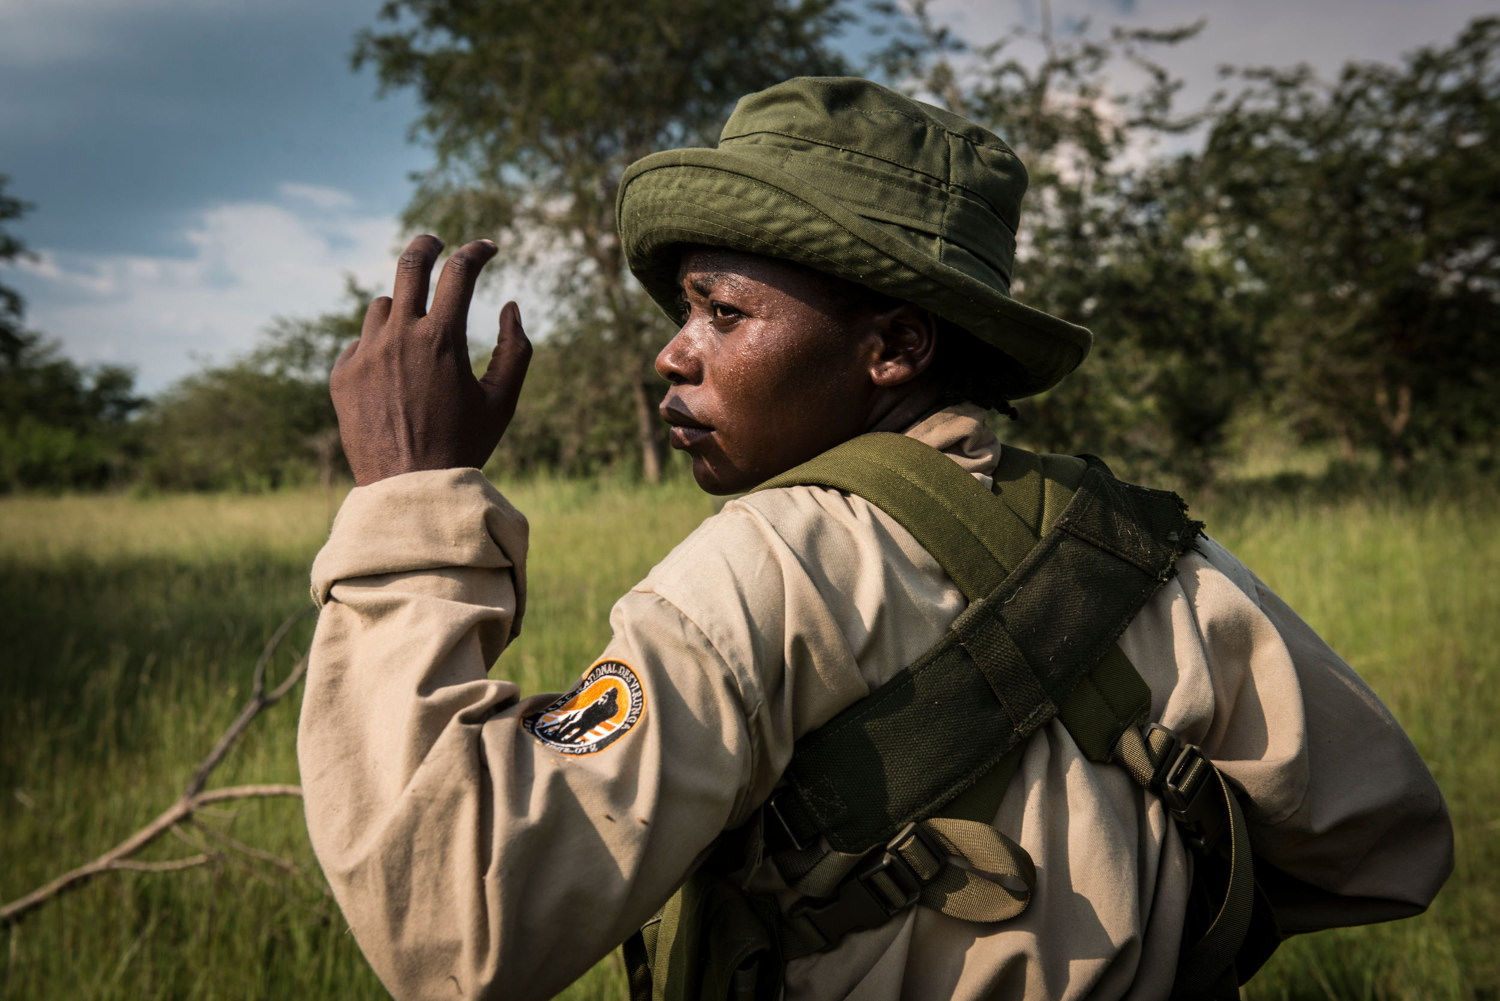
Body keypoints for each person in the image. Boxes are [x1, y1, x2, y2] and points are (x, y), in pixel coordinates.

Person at [297, 77, 1452, 1001]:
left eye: (722, 311)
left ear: (893, 346)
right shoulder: (1151, 551)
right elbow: (1380, 842)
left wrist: (408, 494)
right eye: (684, 311)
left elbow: (456, 928)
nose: (673, 352)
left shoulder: (770, 561)